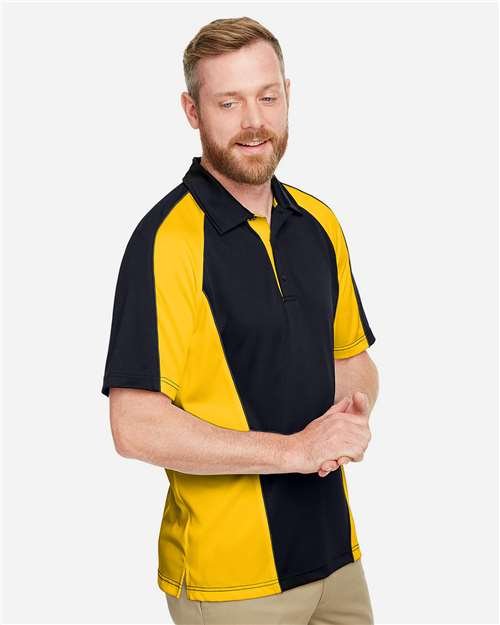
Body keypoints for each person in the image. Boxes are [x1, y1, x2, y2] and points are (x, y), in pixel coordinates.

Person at [101, 15, 379, 625]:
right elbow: (134, 425)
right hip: (231, 582)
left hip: (337, 557)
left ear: (288, 96)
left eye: (267, 97)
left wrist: (353, 413)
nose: (254, 121)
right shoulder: (167, 241)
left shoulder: (320, 223)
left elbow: (352, 360)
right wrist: (295, 450)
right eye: (229, 102)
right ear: (193, 111)